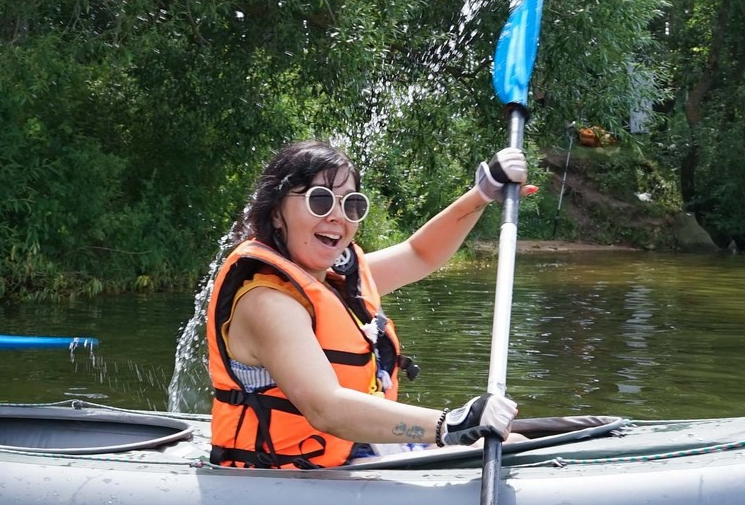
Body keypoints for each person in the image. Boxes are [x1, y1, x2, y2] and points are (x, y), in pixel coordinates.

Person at [204, 139, 526, 468]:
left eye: (351, 205)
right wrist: (452, 424)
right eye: (320, 200)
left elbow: (420, 254)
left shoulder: (330, 280)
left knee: (513, 445)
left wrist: (483, 193)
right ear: (275, 213)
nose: (337, 216)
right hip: (287, 472)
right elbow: (325, 408)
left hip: (353, 454)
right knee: (506, 452)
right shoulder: (267, 303)